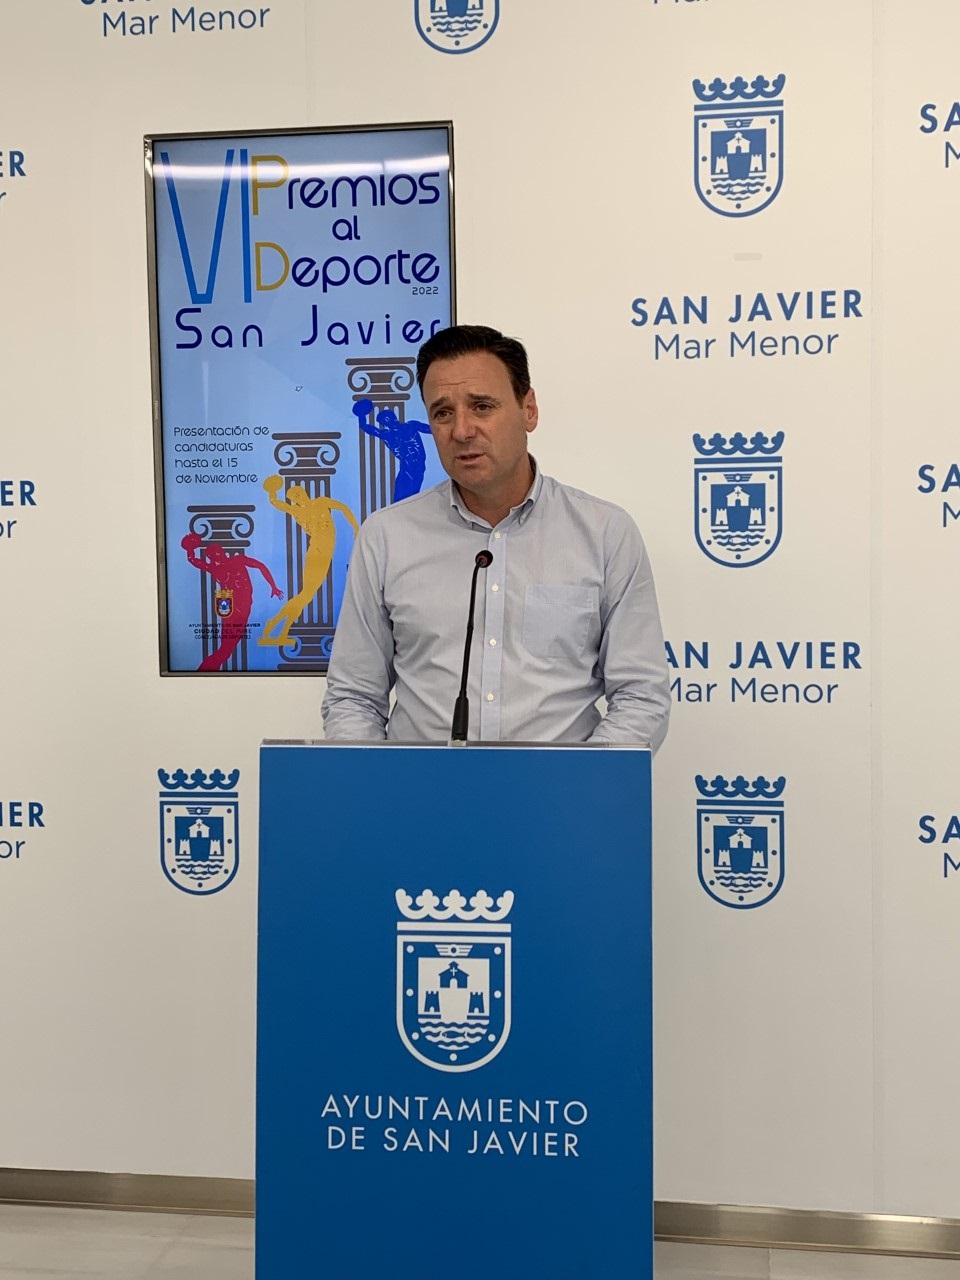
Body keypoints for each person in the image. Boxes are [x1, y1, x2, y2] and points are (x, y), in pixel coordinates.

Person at [321, 325, 670, 747]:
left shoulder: (605, 533)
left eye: (482, 406)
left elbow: (640, 695)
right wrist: (371, 779)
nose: (462, 430)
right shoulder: (386, 537)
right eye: (442, 413)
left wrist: (580, 779)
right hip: (419, 785)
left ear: (529, 410)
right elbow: (354, 697)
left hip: (558, 786)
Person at [258, 476, 359, 647]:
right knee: (306, 594)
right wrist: (272, 491)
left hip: (327, 550)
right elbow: (277, 503)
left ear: (304, 492)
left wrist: (356, 528)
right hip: (317, 551)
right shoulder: (297, 511)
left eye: (299, 493)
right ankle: (275, 624)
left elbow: (344, 508)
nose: (298, 497)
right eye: (294, 497)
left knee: (306, 595)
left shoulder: (321, 502)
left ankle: (279, 628)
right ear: (294, 501)